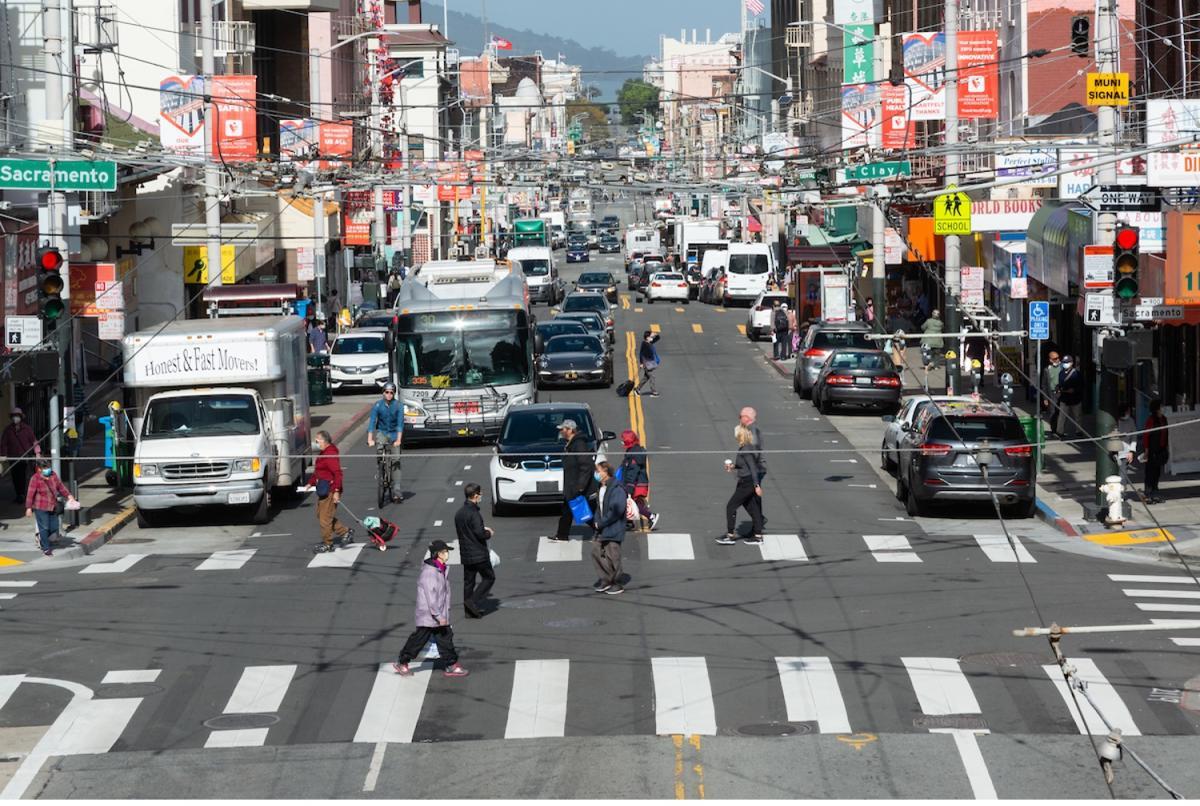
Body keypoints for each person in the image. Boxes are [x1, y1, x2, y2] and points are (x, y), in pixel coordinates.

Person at [392, 540, 469, 678]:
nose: (447, 554)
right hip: (429, 616)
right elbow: (431, 599)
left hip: (437, 615)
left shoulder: (440, 569)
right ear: (437, 554)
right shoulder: (430, 573)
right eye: (445, 552)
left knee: (445, 638)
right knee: (418, 640)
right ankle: (402, 662)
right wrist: (439, 616)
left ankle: (451, 664)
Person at [716, 425, 765, 545]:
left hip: (747, 482)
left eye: (736, 434)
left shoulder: (746, 449)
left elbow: (753, 468)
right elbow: (744, 465)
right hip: (745, 480)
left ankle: (730, 535)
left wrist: (757, 486)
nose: (735, 437)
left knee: (731, 506)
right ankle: (757, 535)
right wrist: (733, 466)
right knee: (751, 507)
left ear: (740, 435)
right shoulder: (744, 447)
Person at [309, 430, 354, 553]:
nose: (316, 442)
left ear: (324, 441)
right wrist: (310, 483)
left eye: (317, 440)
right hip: (323, 489)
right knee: (323, 516)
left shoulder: (330, 454)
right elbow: (319, 471)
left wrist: (336, 491)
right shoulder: (324, 453)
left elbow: (338, 473)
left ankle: (328, 544)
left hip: (330, 490)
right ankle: (345, 531)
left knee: (325, 519)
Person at [456, 482, 495, 617]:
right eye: (480, 494)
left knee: (469, 582)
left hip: (466, 554)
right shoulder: (474, 513)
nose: (481, 496)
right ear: (474, 496)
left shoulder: (459, 513)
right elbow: (479, 533)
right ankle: (472, 602)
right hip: (478, 553)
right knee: (489, 577)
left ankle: (469, 612)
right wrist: (488, 533)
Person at [552, 419, 595, 542]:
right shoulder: (570, 443)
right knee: (567, 511)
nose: (561, 431)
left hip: (577, 485)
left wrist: (581, 486)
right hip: (571, 484)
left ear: (570, 430)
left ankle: (601, 530)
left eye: (563, 429)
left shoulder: (579, 444)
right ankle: (562, 535)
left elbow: (585, 466)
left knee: (583, 512)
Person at [591, 461, 628, 595]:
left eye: (599, 471)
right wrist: (596, 520)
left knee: (613, 555)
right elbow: (599, 507)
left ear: (606, 472)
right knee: (596, 550)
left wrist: (601, 523)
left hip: (614, 527)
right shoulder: (601, 487)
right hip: (602, 527)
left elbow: (616, 511)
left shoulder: (617, 488)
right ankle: (606, 579)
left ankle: (617, 582)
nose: (596, 474)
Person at [25, 458, 75, 557]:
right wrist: (29, 508)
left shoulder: (53, 475)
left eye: (48, 467)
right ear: (39, 469)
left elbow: (61, 487)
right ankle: (46, 548)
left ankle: (41, 538)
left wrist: (69, 496)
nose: (47, 469)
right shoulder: (35, 478)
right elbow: (30, 494)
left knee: (54, 527)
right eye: (45, 468)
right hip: (40, 507)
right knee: (44, 527)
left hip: (53, 506)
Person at [367, 382, 403, 503]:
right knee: (379, 449)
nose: (389, 395)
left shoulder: (398, 406)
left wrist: (398, 440)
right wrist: (369, 439)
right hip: (382, 432)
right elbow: (372, 422)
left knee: (396, 461)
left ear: (394, 394)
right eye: (386, 392)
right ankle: (380, 470)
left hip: (393, 434)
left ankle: (397, 491)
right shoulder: (378, 405)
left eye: (391, 392)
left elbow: (400, 424)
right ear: (383, 393)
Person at [619, 430, 659, 532]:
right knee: (636, 502)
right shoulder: (636, 451)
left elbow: (632, 471)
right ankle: (630, 522)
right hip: (641, 483)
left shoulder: (633, 455)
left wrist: (630, 486)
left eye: (623, 440)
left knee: (634, 503)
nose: (622, 443)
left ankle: (651, 516)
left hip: (636, 484)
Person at [2, 407, 40, 504]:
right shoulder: (8, 430)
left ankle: (23, 494)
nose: (15, 418)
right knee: (15, 476)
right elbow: (4, 444)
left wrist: (37, 453)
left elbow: (34, 441)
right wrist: (3, 455)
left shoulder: (27, 429)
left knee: (23, 475)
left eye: (17, 416)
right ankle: (19, 494)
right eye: (14, 416)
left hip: (24, 457)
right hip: (13, 457)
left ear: (21, 417)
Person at [739, 407, 768, 525]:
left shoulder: (752, 430)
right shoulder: (750, 429)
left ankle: (758, 522)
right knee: (752, 498)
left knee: (749, 498)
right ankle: (758, 522)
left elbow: (753, 452)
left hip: (755, 469)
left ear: (747, 418)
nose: (739, 419)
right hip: (754, 469)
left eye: (740, 416)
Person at [1142, 399, 1169, 503]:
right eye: (1161, 407)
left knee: (1157, 473)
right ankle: (1148, 494)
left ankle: (1155, 493)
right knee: (1150, 473)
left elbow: (1166, 434)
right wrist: (1146, 450)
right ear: (1157, 409)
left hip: (1161, 450)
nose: (1163, 409)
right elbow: (1146, 436)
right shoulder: (1151, 420)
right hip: (1152, 450)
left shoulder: (1164, 419)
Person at [1056, 356, 1085, 439]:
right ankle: (1060, 432)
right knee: (1062, 416)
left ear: (1072, 363)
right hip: (1064, 399)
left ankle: (1079, 431)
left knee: (1078, 416)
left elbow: (1082, 386)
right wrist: (1058, 388)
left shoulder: (1077, 374)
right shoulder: (1061, 373)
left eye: (1067, 362)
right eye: (1064, 362)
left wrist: (1074, 390)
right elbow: (1060, 384)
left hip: (1075, 399)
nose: (1065, 364)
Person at [1040, 351, 1063, 436]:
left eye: (1058, 358)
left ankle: (1060, 430)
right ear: (1050, 360)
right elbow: (1044, 385)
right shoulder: (1047, 370)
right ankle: (1054, 430)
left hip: (1061, 394)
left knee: (1061, 413)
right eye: (1055, 358)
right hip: (1052, 394)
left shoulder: (1062, 367)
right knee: (1053, 412)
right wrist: (1045, 398)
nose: (1057, 360)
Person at [634, 330, 661, 397]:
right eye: (650, 336)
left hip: (650, 362)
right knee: (652, 377)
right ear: (647, 337)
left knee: (646, 377)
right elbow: (641, 353)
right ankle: (654, 391)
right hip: (646, 363)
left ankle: (637, 389)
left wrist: (655, 334)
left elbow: (658, 337)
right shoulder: (644, 344)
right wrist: (641, 363)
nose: (652, 337)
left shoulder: (650, 342)